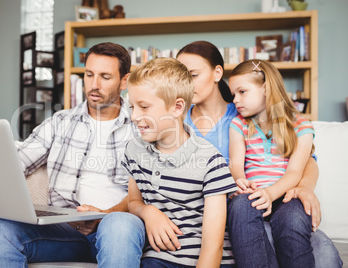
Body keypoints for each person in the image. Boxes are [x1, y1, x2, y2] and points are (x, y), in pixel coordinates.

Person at [176, 41, 342, 267]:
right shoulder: (175, 122)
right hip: (222, 213)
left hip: (272, 201)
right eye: (180, 76)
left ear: (217, 73)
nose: (185, 83)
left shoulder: (244, 113)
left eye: (193, 75)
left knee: (324, 255)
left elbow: (306, 162)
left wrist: (305, 187)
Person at [0, 42, 139, 267]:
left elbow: (147, 192)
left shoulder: (140, 126)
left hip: (116, 228)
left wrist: (106, 214)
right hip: (66, 229)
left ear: (124, 81)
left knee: (119, 226)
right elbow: (17, 163)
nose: (94, 85)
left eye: (105, 77)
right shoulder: (60, 121)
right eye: (89, 74)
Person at [122, 57, 237, 267]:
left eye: (144, 107)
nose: (134, 116)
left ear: (177, 107)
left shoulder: (210, 160)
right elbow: (134, 202)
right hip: (158, 259)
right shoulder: (134, 150)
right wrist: (148, 211)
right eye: (132, 107)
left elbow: (213, 246)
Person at [228, 59, 315, 267]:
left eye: (242, 92)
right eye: (233, 95)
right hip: (254, 192)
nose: (235, 100)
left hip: (286, 194)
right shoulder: (238, 124)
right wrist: (240, 180)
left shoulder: (301, 125)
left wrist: (271, 193)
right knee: (240, 206)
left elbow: (295, 172)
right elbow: (236, 165)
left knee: (293, 221)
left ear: (266, 88)